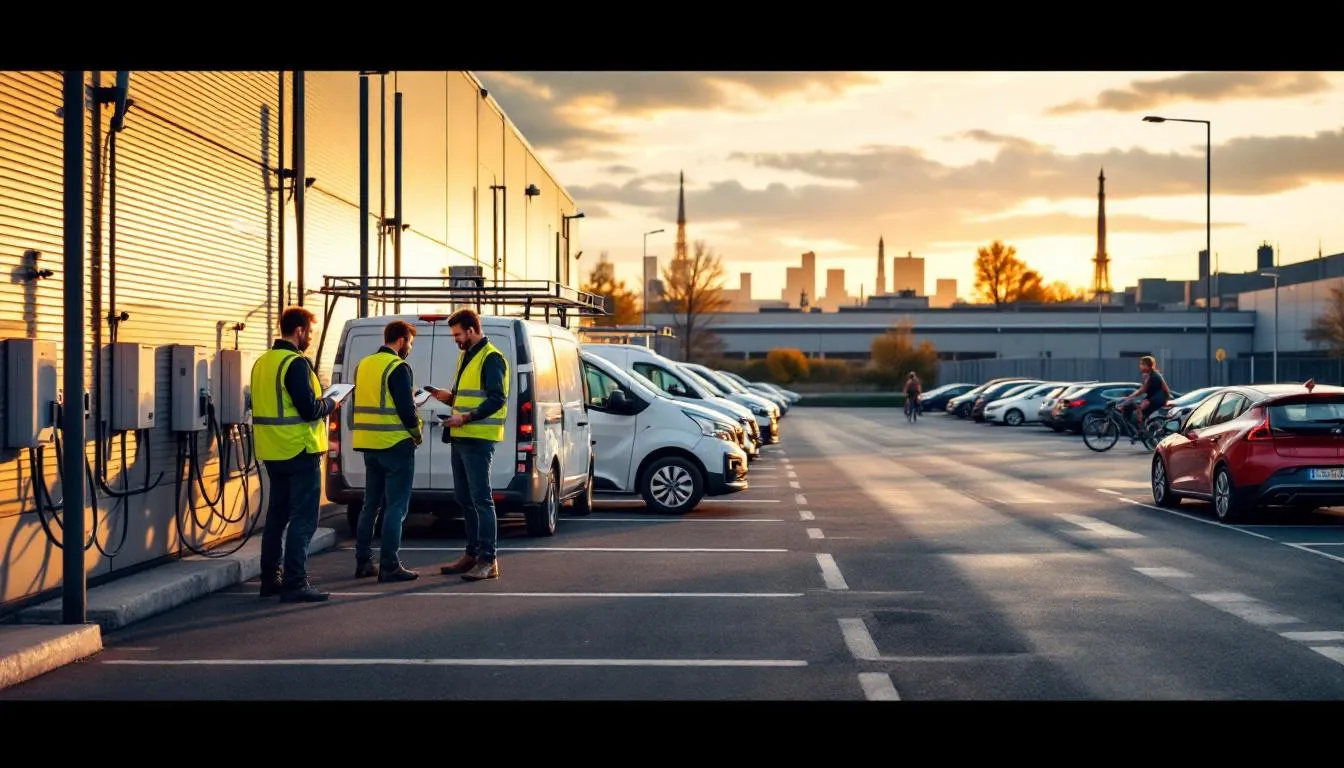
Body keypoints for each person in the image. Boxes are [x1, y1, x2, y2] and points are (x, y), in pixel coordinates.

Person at [250, 306, 337, 603]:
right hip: (300, 449)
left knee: (277, 517)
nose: (310, 338)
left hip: (273, 451)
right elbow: (310, 409)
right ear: (299, 331)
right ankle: (295, 582)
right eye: (310, 332)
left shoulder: (263, 362)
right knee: (303, 518)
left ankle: (270, 579)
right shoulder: (295, 364)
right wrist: (331, 403)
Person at [431, 308, 509, 581]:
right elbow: (467, 396)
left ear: (473, 330)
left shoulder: (492, 358)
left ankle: (488, 560)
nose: (455, 340)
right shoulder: (466, 356)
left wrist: (465, 417)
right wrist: (447, 398)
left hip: (477, 439)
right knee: (465, 499)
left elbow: (497, 398)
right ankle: (472, 554)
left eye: (457, 334)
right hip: (460, 436)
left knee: (481, 500)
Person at [350, 320, 423, 583]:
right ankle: (390, 565)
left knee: (370, 504)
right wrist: (417, 434)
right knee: (396, 506)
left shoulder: (364, 365)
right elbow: (406, 410)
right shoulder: (398, 367)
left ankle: (363, 562)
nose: (410, 349)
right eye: (410, 343)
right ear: (401, 340)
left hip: (369, 444)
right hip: (395, 444)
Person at [1120, 355, 1171, 427]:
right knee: (1139, 409)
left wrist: (1130, 397)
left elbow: (1142, 390)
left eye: (1142, 364)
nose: (1140, 366)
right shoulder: (1152, 374)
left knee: (1139, 410)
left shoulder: (1153, 376)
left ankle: (1142, 431)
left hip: (1157, 399)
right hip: (1156, 398)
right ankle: (1141, 430)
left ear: (1147, 366)